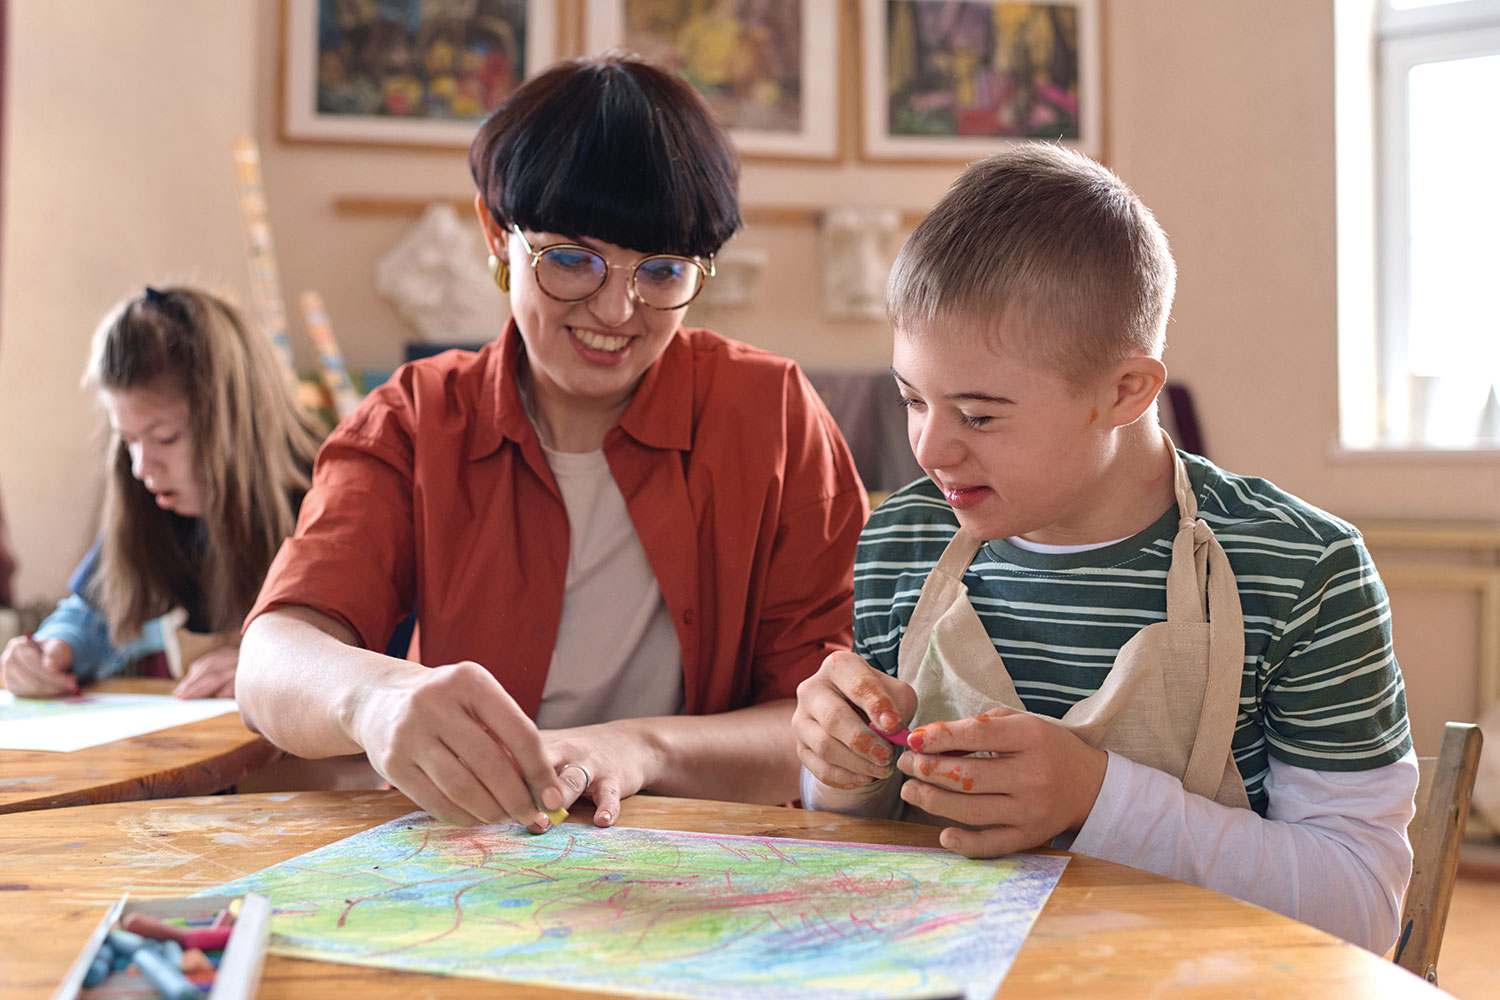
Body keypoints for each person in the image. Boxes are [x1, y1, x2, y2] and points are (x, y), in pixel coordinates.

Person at [792, 145, 1417, 954]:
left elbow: (1361, 907)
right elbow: (859, 845)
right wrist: (836, 770)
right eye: (913, 398)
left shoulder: (1303, 571)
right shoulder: (902, 541)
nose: (930, 449)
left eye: (979, 416)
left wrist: (1098, 800)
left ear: (1127, 392)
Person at [236, 55, 868, 833]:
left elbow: (822, 724)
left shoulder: (769, 415)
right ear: (497, 236)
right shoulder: (416, 419)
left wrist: (638, 750)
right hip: (480, 856)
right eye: (571, 259)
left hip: (700, 865)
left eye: (662, 271)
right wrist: (375, 696)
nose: (616, 310)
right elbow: (271, 658)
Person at [0, 286, 322, 699]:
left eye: (166, 438)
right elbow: (95, 613)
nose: (141, 468)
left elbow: (381, 647)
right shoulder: (155, 500)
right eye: (128, 440)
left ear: (239, 426)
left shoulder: (330, 495)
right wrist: (50, 651)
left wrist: (281, 661)